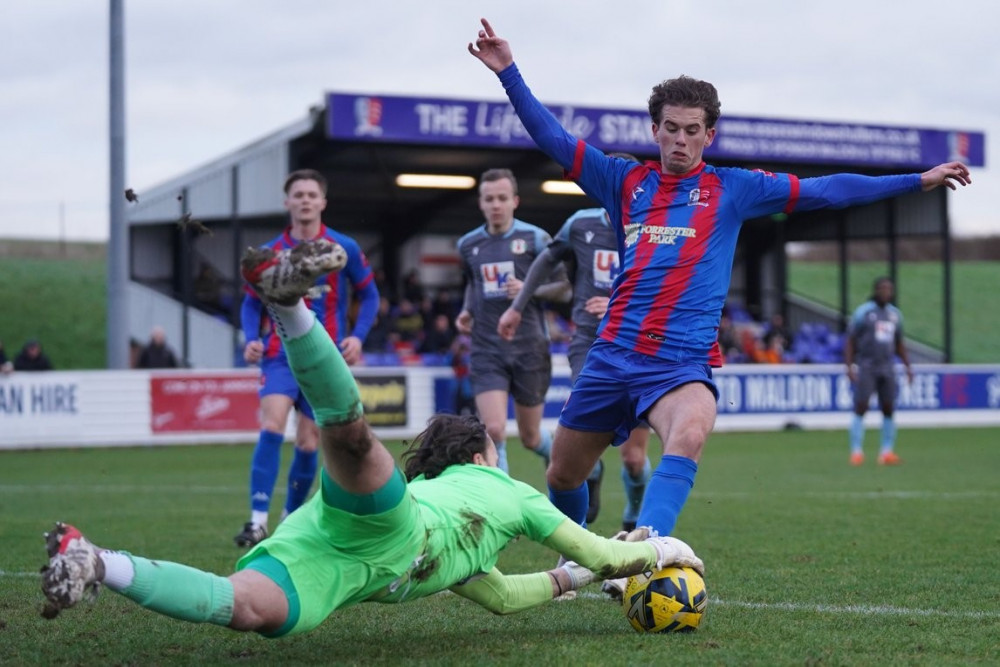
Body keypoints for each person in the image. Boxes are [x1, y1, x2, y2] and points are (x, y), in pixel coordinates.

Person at [39, 239, 703, 637]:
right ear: (480, 453)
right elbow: (600, 550)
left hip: (336, 562)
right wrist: (661, 545)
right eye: (493, 447)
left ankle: (98, 561)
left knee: (244, 607)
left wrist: (572, 576)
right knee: (351, 436)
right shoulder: (502, 489)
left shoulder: (471, 544)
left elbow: (502, 595)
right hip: (392, 527)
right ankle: (288, 302)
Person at [468, 18, 971, 537]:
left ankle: (648, 549)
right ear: (654, 129)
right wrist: (508, 72)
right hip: (613, 352)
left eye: (692, 131)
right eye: (671, 128)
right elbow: (552, 137)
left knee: (688, 434)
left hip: (681, 361)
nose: (680, 141)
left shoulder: (734, 188)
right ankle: (576, 553)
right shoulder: (623, 181)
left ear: (709, 134)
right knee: (562, 472)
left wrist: (917, 180)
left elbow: (826, 190)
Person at [236, 168, 380, 548]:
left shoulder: (342, 248)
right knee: (271, 424)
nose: (304, 200)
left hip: (324, 358)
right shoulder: (270, 254)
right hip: (279, 355)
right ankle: (256, 521)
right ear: (287, 202)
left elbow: (371, 296)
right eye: (297, 194)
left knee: (308, 442)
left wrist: (358, 337)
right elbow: (251, 305)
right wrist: (251, 338)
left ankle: (289, 521)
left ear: (322, 202)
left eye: (311, 194)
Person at [498, 206, 651, 533]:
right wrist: (517, 305)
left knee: (634, 459)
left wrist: (614, 305)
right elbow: (547, 260)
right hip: (589, 345)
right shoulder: (579, 224)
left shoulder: (656, 227)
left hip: (638, 348)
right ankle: (576, 531)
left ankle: (635, 515)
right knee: (580, 449)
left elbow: (668, 286)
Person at [454, 168, 571, 473]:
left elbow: (564, 288)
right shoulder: (468, 244)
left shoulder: (535, 238)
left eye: (502, 198)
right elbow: (473, 282)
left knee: (530, 437)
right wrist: (467, 310)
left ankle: (554, 455)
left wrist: (529, 290)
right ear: (481, 203)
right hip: (486, 347)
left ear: (514, 201)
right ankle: (505, 505)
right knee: (492, 430)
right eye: (489, 199)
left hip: (530, 347)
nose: (496, 204)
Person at [843, 276, 913, 466]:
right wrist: (849, 366)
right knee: (861, 406)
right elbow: (850, 341)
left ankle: (886, 452)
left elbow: (899, 344)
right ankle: (856, 452)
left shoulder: (895, 315)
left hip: (888, 366)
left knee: (889, 408)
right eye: (882, 288)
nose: (885, 292)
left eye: (889, 289)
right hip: (867, 365)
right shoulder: (863, 312)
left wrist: (908, 367)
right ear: (875, 290)